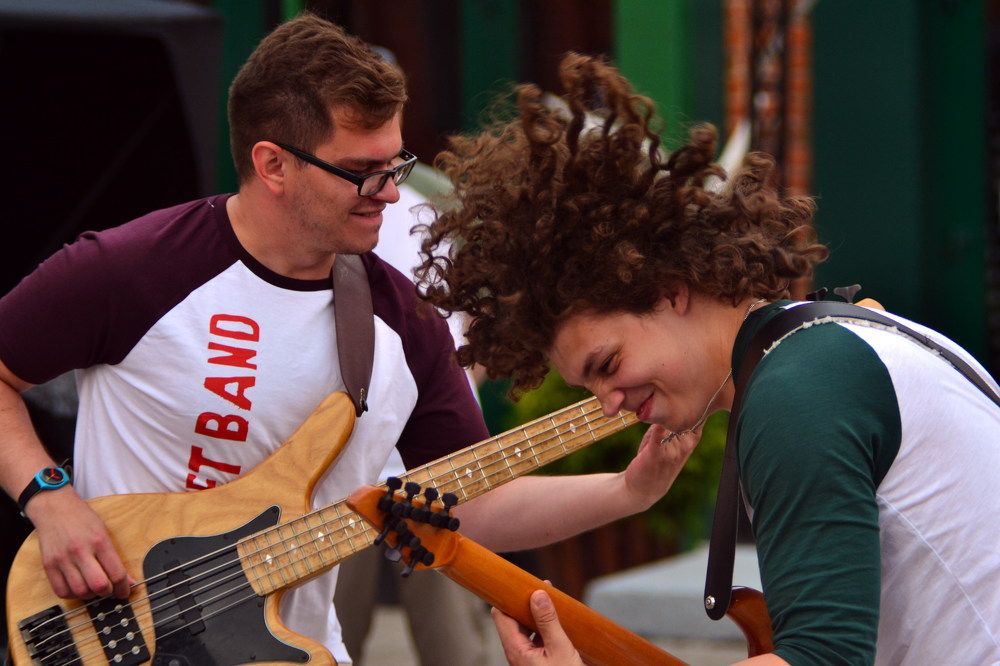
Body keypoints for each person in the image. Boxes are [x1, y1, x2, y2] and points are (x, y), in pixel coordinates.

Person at [0, 16, 677, 664]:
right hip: (116, 631)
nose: (389, 193)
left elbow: (473, 504)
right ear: (273, 165)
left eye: (396, 164)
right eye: (362, 170)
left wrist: (630, 491)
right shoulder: (134, 269)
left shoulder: (404, 322)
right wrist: (50, 500)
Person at [414, 53, 1000, 664]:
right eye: (590, 388)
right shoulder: (840, 344)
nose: (610, 403)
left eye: (607, 365)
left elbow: (821, 658)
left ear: (668, 290)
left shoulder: (797, 392)